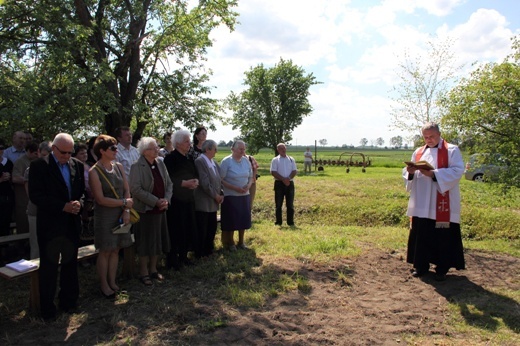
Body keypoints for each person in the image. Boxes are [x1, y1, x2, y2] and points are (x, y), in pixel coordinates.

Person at [28, 133, 85, 320]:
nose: (67, 156)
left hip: (71, 224)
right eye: (63, 153)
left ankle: (69, 302)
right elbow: (36, 196)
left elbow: (81, 192)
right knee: (49, 267)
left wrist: (79, 204)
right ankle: (47, 308)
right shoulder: (39, 166)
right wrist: (62, 206)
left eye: (70, 153)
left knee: (70, 264)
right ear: (53, 149)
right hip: (50, 226)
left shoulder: (77, 165)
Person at [403, 122, 465, 281]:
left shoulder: (451, 150)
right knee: (422, 233)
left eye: (431, 136)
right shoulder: (418, 152)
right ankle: (420, 265)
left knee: (442, 235)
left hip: (441, 200)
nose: (428, 140)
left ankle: (442, 268)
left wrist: (433, 174)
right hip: (422, 200)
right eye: (425, 137)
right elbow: (408, 175)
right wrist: (410, 172)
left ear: (439, 134)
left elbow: (457, 171)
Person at [89, 135, 134, 298]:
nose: (116, 151)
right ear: (102, 151)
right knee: (105, 250)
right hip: (105, 216)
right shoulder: (94, 171)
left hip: (122, 213)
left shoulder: (119, 166)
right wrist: (124, 203)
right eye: (113, 148)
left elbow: (126, 189)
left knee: (116, 249)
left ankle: (113, 281)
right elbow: (100, 199)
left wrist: (126, 210)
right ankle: (103, 284)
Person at [129, 137, 172, 285]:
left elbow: (169, 184)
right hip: (145, 210)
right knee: (145, 242)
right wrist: (155, 201)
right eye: (154, 147)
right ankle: (143, 272)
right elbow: (135, 189)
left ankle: (154, 270)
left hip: (160, 210)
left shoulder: (160, 162)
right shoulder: (137, 166)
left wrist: (166, 200)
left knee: (157, 240)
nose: (157, 149)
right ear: (145, 151)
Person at [164, 130, 199, 269]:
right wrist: (184, 183)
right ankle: (173, 260)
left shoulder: (188, 158)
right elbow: (168, 178)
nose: (189, 143)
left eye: (189, 141)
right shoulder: (170, 158)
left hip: (189, 199)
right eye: (186, 141)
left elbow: (195, 173)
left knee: (187, 228)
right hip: (176, 200)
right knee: (176, 229)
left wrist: (196, 181)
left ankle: (184, 256)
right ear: (177, 143)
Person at [220, 140, 253, 251]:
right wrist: (234, 188)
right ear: (233, 149)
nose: (242, 151)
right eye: (240, 149)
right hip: (231, 196)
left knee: (243, 219)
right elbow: (221, 179)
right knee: (231, 220)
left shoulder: (246, 161)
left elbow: (251, 177)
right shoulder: (226, 161)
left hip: (244, 195)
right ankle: (231, 243)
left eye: (244, 149)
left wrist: (248, 186)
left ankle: (241, 242)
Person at [194, 140, 224, 257]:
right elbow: (204, 182)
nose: (216, 151)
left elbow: (219, 180)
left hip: (213, 202)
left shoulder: (214, 163)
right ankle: (200, 253)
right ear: (207, 150)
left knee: (212, 227)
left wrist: (221, 193)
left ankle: (209, 250)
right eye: (214, 149)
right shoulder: (200, 161)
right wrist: (215, 195)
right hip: (204, 201)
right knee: (202, 228)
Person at [24, 141, 52, 259]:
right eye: (43, 155)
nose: (45, 158)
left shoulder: (55, 169)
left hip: (52, 211)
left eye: (48, 155)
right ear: (38, 153)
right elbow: (31, 194)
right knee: (36, 244)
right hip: (35, 212)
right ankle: (35, 272)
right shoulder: (30, 170)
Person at [12, 142, 39, 235]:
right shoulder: (20, 161)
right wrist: (28, 180)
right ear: (29, 151)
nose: (37, 155)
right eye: (35, 153)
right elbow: (15, 178)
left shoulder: (37, 161)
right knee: (23, 224)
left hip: (34, 200)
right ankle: (21, 247)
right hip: (22, 199)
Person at [270, 143, 298, 226]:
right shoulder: (275, 160)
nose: (283, 150)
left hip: (290, 183)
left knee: (290, 204)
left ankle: (290, 222)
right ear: (278, 150)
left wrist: (288, 179)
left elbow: (294, 171)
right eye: (281, 148)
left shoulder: (291, 159)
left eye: (284, 148)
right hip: (279, 183)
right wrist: (283, 179)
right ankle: (278, 222)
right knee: (278, 204)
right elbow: (273, 171)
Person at [0, 139, 14, 237]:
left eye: (1, 148)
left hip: (7, 198)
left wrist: (10, 177)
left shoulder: (8, 163)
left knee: (5, 223)